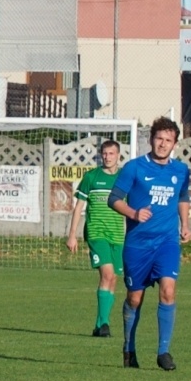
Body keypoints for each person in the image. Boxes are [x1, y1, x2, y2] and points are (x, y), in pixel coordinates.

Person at [110, 117, 191, 371]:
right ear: (151, 139)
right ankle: (128, 347)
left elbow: (183, 197)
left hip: (166, 242)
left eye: (168, 140)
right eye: (159, 138)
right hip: (138, 245)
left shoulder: (180, 170)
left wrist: (185, 225)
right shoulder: (134, 168)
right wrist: (133, 213)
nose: (163, 144)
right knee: (135, 299)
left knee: (168, 289)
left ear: (174, 144)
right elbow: (114, 199)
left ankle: (163, 352)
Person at [65, 140, 126, 337]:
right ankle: (106, 323)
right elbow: (79, 207)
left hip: (117, 236)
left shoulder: (124, 180)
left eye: (111, 154)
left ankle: (100, 325)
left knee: (114, 278)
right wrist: (72, 235)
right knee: (107, 275)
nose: (108, 157)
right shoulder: (92, 177)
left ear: (118, 156)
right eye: (105, 154)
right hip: (96, 233)